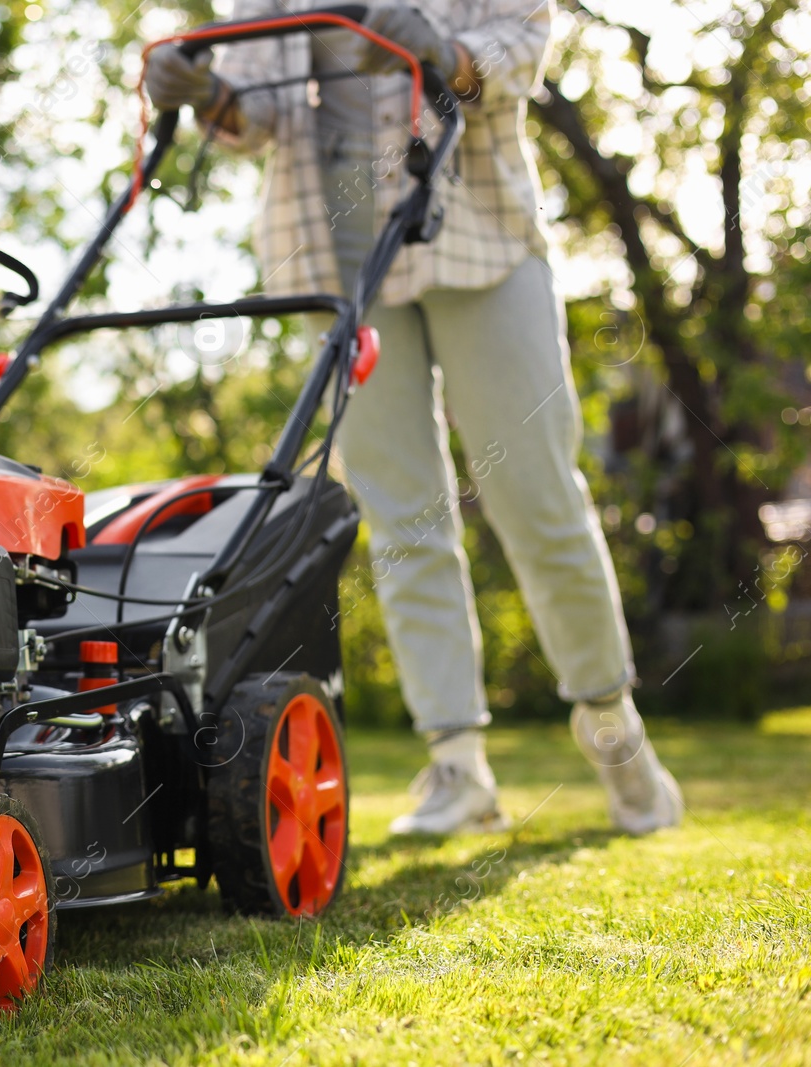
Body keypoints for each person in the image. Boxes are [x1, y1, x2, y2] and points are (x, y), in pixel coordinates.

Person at [145, 0, 683, 834]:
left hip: (481, 232)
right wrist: (202, 86)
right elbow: (256, 110)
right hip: (342, 249)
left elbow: (515, 53)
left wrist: (440, 52)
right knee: (403, 514)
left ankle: (612, 723)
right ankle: (458, 766)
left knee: (538, 497)